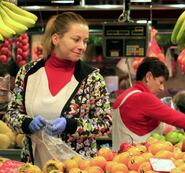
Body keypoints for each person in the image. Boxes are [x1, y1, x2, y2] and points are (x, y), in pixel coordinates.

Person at [4, 12, 112, 162]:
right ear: (56, 39)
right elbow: (11, 114)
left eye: (85, 41)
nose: (82, 47)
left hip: (76, 172)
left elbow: (105, 123)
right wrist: (27, 123)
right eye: (76, 39)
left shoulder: (92, 78)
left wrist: (70, 125)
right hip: (35, 169)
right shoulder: (28, 73)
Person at [112, 57, 185, 151]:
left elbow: (139, 125)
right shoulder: (143, 97)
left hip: (120, 160)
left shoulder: (124, 96)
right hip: (136, 161)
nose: (162, 88)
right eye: (160, 82)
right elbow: (174, 117)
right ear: (148, 77)